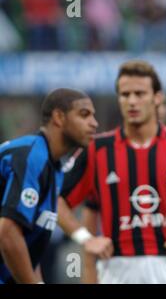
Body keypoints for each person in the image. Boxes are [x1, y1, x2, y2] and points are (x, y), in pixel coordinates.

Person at [59, 60, 166, 284]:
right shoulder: (97, 149)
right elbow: (55, 199)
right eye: (125, 94)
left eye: (139, 93)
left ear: (156, 98)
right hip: (117, 270)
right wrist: (85, 238)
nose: (132, 101)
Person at [0, 88, 100, 283]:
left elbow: (27, 251)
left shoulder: (54, 169)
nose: (94, 124)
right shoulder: (32, 157)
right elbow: (8, 235)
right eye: (84, 114)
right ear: (59, 117)